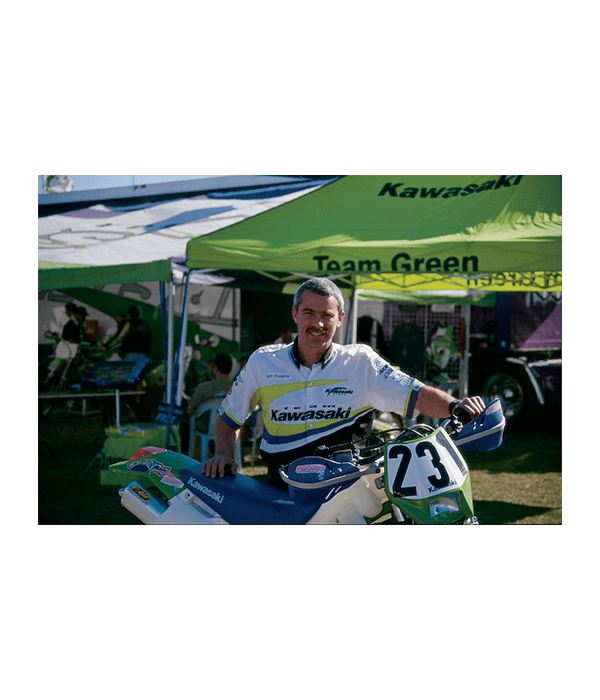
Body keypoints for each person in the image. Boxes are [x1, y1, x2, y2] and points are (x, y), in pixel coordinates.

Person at [201, 278, 485, 486]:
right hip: (283, 488)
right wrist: (223, 454)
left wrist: (455, 406)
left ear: (340, 319)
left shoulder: (361, 362)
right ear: (295, 314)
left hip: (349, 489)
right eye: (309, 313)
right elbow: (228, 420)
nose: (318, 323)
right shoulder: (263, 362)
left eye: (327, 315)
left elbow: (416, 394)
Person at [187, 353, 234, 433]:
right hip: (231, 427)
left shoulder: (204, 387)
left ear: (216, 368)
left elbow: (191, 410)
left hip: (207, 428)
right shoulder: (239, 388)